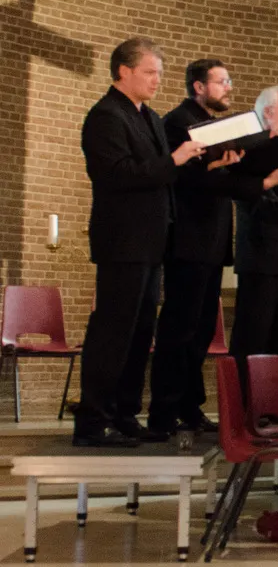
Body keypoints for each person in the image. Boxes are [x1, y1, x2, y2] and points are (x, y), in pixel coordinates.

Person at [74, 38, 207, 447]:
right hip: (123, 239)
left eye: (160, 73)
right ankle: (93, 420)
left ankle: (125, 412)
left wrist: (205, 163)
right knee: (114, 330)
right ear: (123, 71)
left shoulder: (147, 116)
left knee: (140, 331)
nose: (157, 80)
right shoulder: (106, 116)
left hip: (151, 240)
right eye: (150, 72)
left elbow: (161, 171)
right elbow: (119, 175)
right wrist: (176, 159)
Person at [149, 59, 278, 436]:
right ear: (198, 86)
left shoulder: (212, 125)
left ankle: (190, 408)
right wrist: (249, 181)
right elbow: (183, 180)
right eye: (221, 81)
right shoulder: (179, 122)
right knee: (179, 329)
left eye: (229, 81)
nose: (229, 87)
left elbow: (217, 180)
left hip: (209, 243)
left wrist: (251, 175)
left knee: (200, 331)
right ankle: (163, 413)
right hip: (188, 241)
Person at [231, 85, 278, 361]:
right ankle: (245, 402)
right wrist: (270, 185)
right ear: (267, 111)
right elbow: (243, 196)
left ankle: (268, 403)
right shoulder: (248, 149)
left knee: (275, 337)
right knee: (253, 335)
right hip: (258, 252)